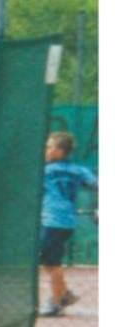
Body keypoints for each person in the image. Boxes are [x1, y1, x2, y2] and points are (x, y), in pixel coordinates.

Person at [37, 131, 97, 317]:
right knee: (48, 261)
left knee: (52, 263)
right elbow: (96, 184)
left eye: (49, 147)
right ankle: (64, 294)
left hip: (53, 220)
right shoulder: (79, 170)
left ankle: (56, 302)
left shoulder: (44, 170)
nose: (46, 150)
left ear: (60, 150)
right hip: (66, 222)